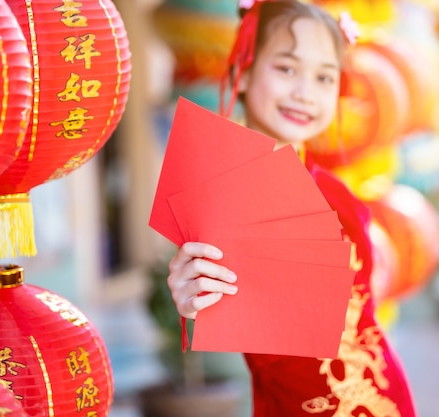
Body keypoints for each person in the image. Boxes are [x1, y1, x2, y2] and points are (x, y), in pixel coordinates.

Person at [165, 0, 417, 415]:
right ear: (243, 72)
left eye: (324, 77)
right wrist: (190, 296)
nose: (305, 92)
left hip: (384, 395)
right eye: (286, 68)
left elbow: (364, 318)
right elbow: (205, 291)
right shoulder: (218, 195)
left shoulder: (340, 196)